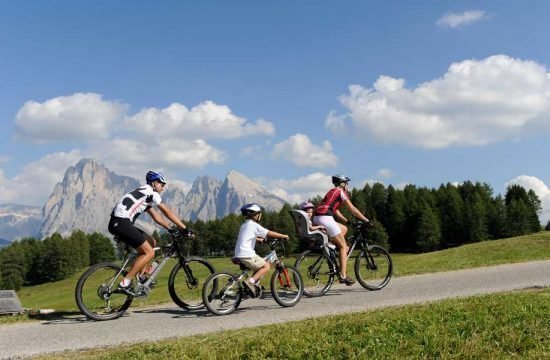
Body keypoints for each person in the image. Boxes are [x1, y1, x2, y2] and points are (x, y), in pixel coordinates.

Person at [108, 170, 191, 296]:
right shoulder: (152, 193)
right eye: (161, 184)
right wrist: (185, 228)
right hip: (122, 223)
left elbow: (156, 217)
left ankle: (141, 277)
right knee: (149, 252)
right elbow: (167, 212)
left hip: (118, 222)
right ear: (154, 183)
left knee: (152, 242)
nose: (163, 188)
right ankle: (125, 283)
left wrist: (169, 228)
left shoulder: (143, 192)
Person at [313, 174, 370, 286]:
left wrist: (347, 221)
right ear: (343, 184)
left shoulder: (331, 192)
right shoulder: (340, 192)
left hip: (317, 217)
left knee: (344, 229)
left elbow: (335, 211)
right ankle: (343, 275)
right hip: (326, 218)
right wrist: (366, 220)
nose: (348, 186)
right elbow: (353, 209)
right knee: (344, 246)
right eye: (347, 184)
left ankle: (331, 248)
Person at [234, 203, 289, 296]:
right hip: (247, 254)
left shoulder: (244, 225)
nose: (260, 216)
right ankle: (250, 282)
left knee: (259, 266)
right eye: (259, 214)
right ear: (255, 215)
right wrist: (283, 236)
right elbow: (268, 232)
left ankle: (251, 286)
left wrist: (259, 239)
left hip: (238, 254)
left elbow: (248, 237)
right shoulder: (254, 225)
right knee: (266, 266)